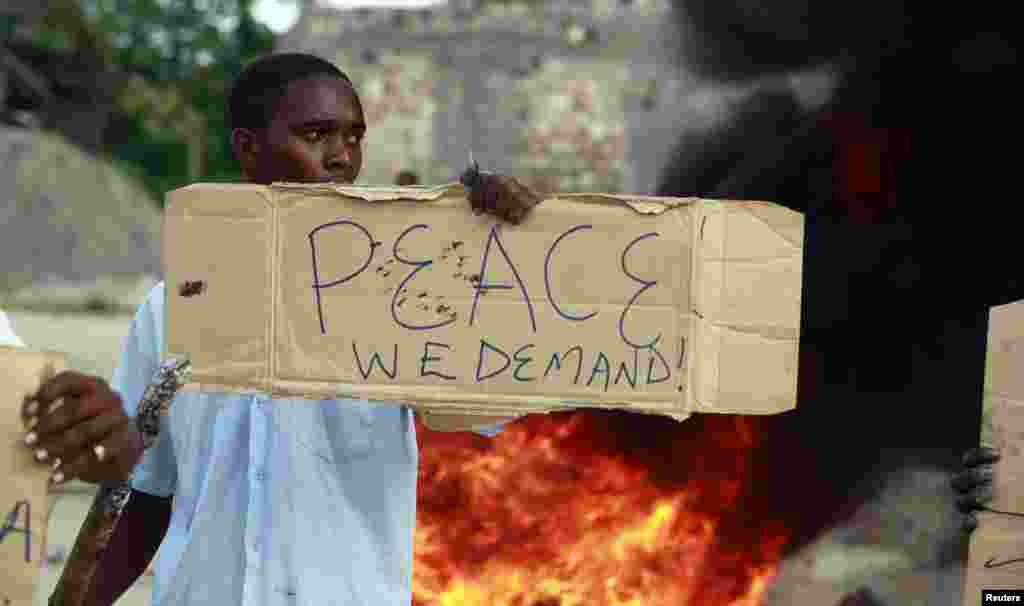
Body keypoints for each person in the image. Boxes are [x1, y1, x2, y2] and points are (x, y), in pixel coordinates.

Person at [20, 53, 535, 606]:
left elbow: (493, 406)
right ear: (248, 149)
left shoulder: (405, 298)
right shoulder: (170, 310)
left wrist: (512, 249)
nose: (342, 157)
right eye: (317, 134)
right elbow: (147, 490)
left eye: (354, 137)